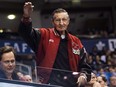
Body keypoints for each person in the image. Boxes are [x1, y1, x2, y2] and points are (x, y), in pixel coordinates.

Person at [18, 2, 92, 87]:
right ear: (52, 22)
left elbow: (85, 66)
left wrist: (83, 75)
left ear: (68, 21)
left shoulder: (76, 41)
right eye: (58, 20)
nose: (61, 23)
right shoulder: (43, 35)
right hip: (48, 84)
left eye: (64, 20)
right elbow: (25, 33)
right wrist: (26, 17)